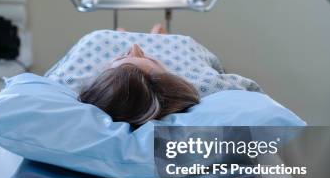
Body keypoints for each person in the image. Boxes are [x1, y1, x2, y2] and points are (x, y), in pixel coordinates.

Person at [45, 24, 261, 128]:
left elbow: (49, 83)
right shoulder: (203, 84)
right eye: (151, 59)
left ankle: (123, 35)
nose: (136, 47)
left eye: (121, 56)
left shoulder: (70, 86)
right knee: (162, 37)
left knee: (118, 37)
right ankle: (157, 37)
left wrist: (116, 39)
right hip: (174, 57)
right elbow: (251, 94)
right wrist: (166, 43)